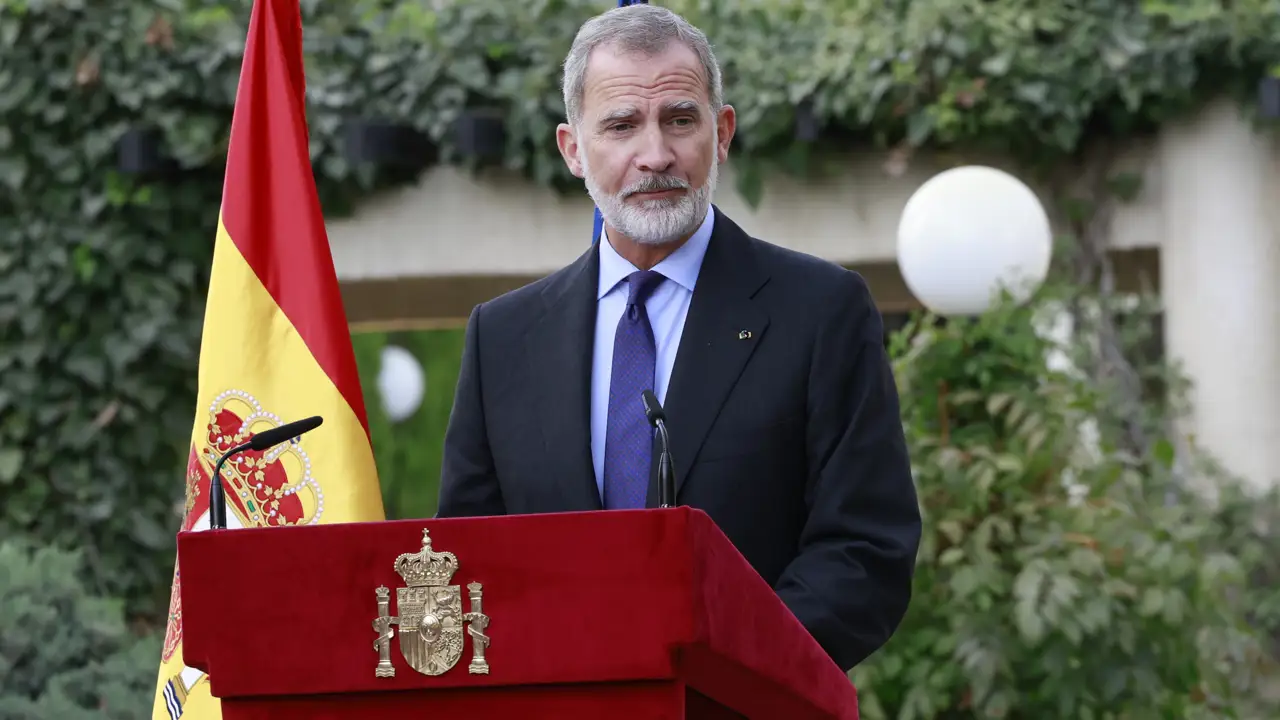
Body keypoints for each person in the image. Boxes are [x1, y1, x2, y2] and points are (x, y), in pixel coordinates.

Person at [436, 4, 921, 672]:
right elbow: (474, 563)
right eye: (621, 125)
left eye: (681, 120)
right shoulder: (504, 338)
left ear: (721, 134)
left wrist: (718, 667)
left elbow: (865, 551)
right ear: (573, 149)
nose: (655, 154)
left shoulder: (821, 312)